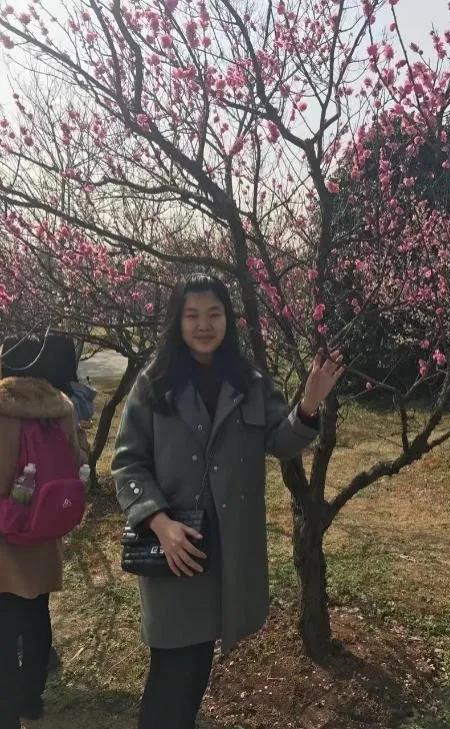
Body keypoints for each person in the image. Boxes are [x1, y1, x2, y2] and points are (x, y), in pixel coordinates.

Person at [112, 274, 345, 729]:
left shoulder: (249, 381)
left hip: (225, 551)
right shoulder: (154, 382)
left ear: (228, 320)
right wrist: (159, 523)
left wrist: (308, 406)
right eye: (192, 315)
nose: (204, 325)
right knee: (170, 670)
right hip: (177, 548)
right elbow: (128, 463)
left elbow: (279, 441)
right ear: (177, 321)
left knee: (196, 666)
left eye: (214, 314)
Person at [0, 334, 84, 729]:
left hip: (4, 535)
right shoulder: (60, 408)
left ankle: (7, 713)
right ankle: (31, 698)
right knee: (36, 615)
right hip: (42, 534)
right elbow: (77, 459)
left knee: (3, 631)